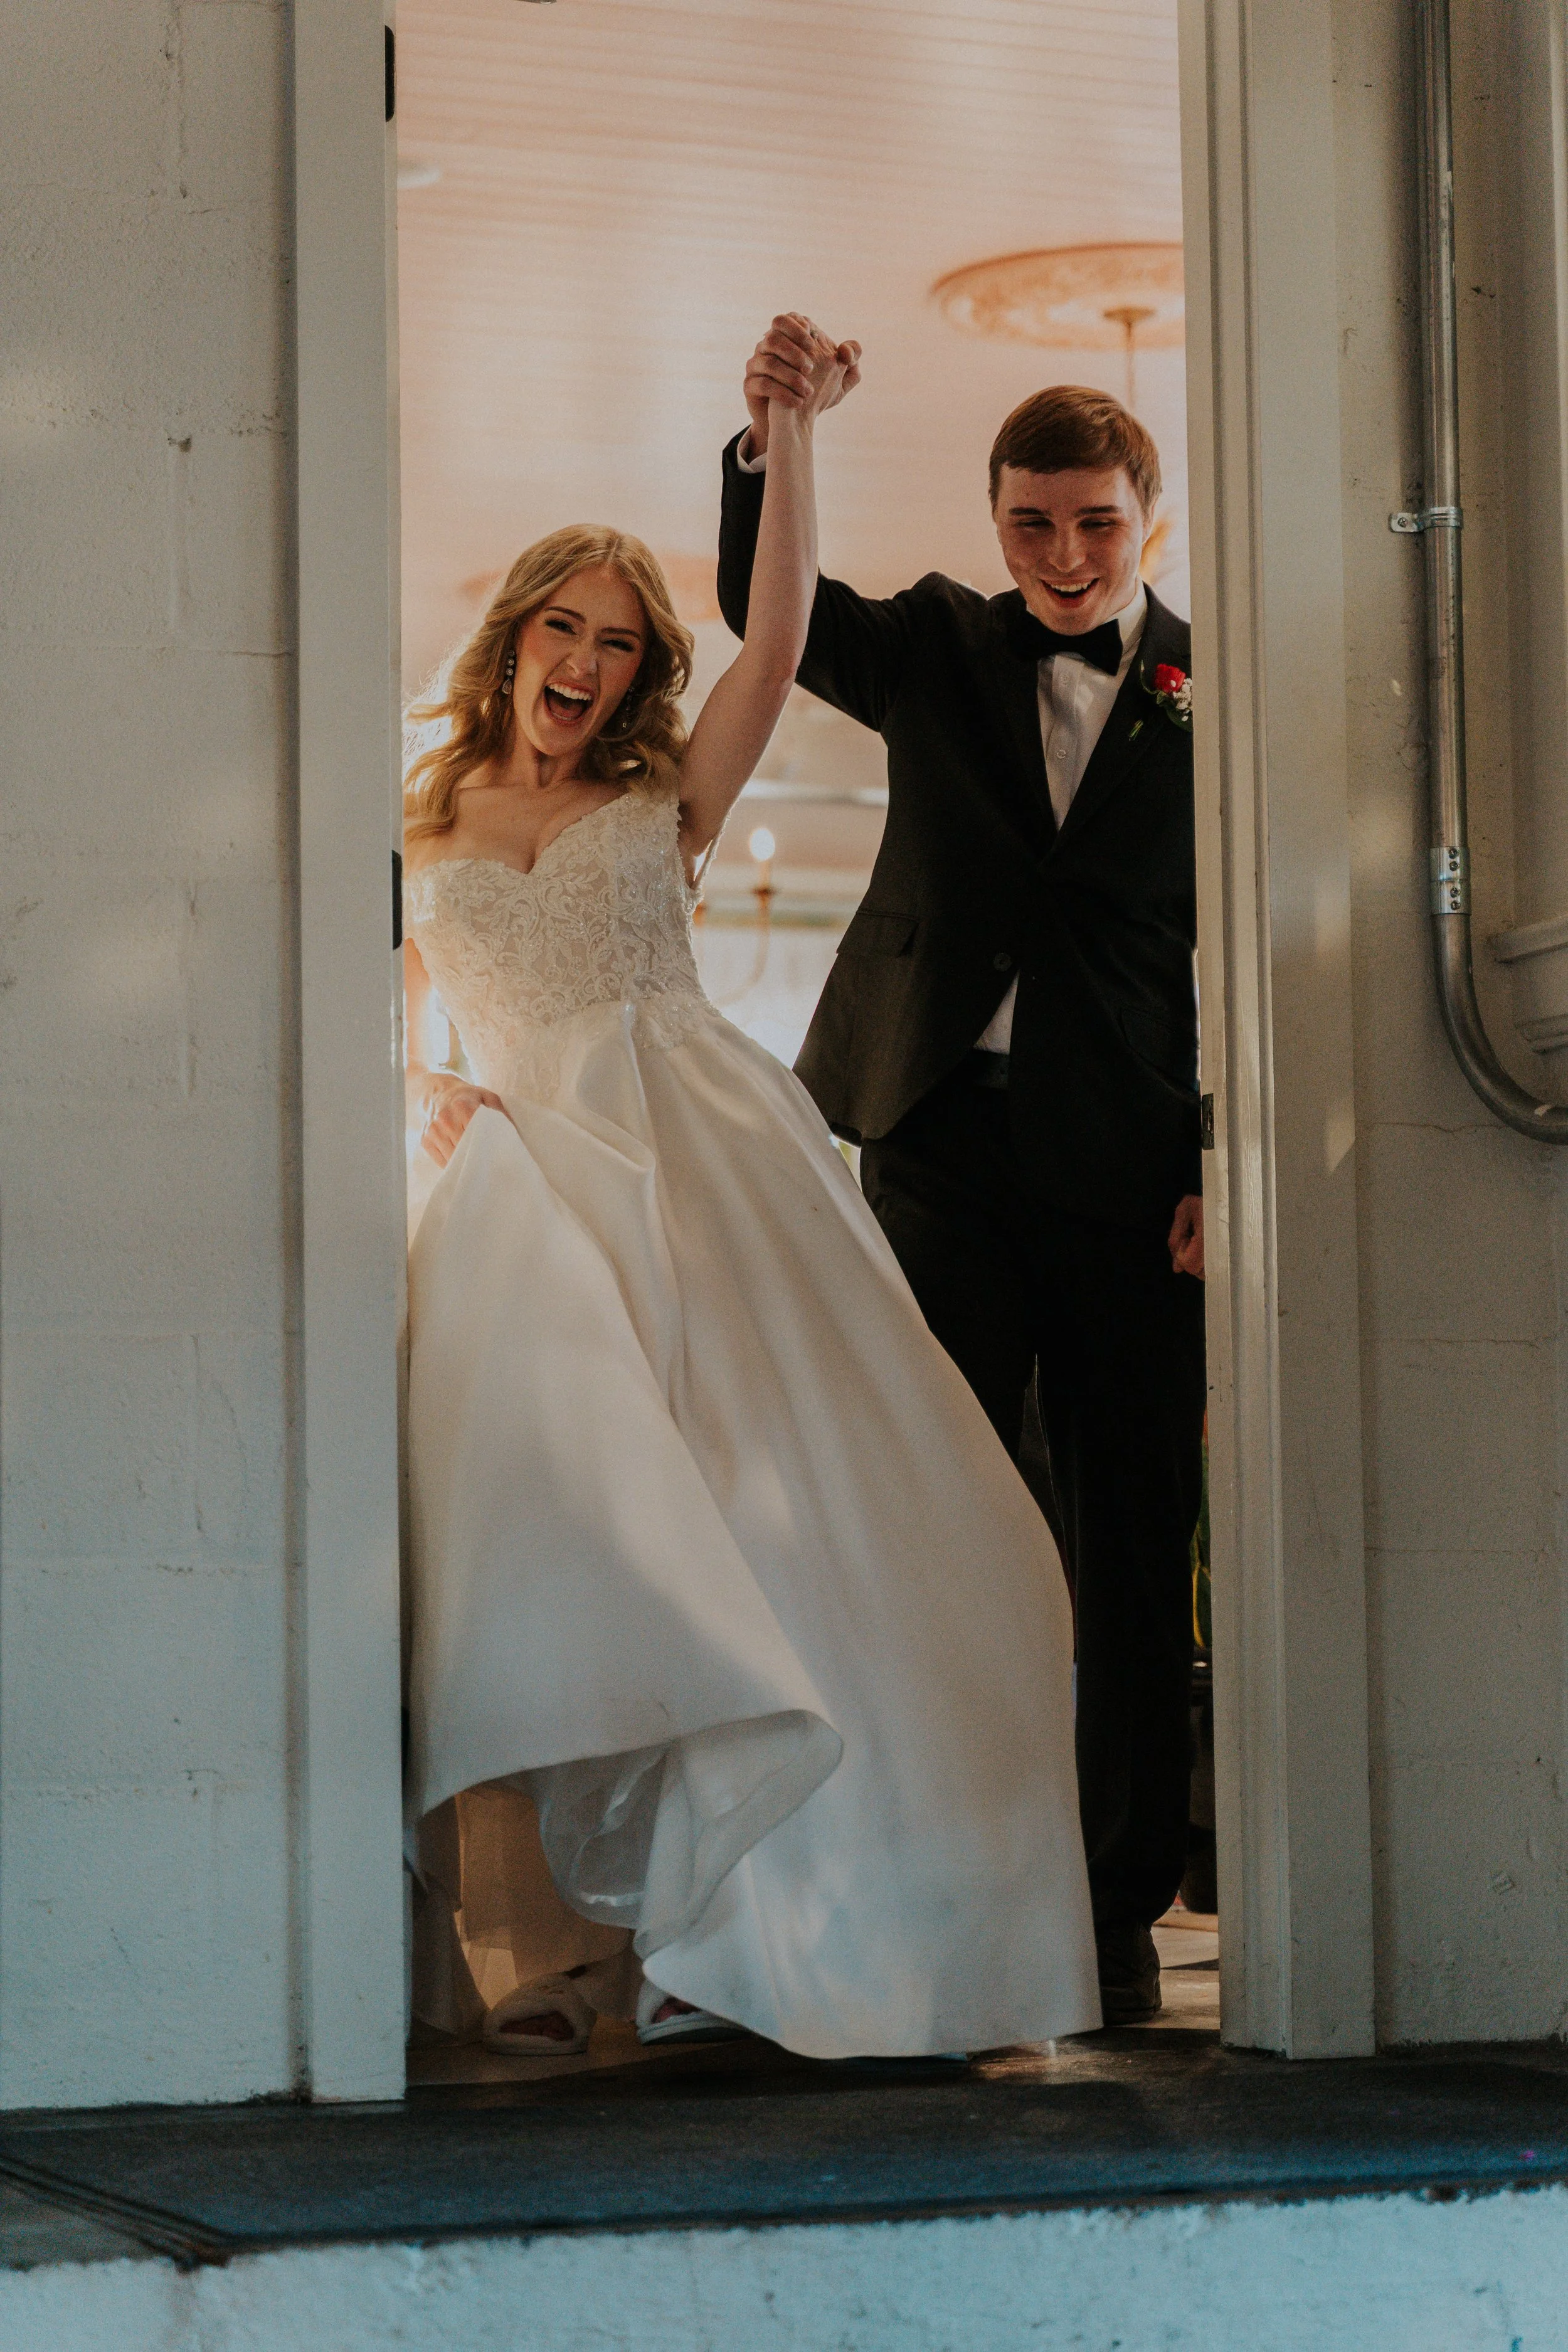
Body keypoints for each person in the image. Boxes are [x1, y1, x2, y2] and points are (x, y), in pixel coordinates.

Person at [400, 319, 1099, 2061]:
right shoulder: (411, 834)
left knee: (803, 1531)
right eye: (560, 625)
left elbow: (778, 637)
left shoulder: (664, 796)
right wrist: (426, 1086)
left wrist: (784, 433)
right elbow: (386, 1019)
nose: (583, 657)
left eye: (616, 641)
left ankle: (824, 1924)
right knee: (587, 1549)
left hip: (705, 1165)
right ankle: (591, 1940)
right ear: (511, 643)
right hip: (530, 1196)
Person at [717, 323, 1207, 2025]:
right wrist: (776, 431)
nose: (1064, 558)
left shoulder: (1222, 693)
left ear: (1149, 513)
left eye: (1095, 522)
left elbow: (1253, 958)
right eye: (1030, 523)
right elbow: (755, 607)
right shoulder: (930, 642)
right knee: (920, 1501)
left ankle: (1117, 1889)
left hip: (1136, 1173)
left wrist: (1223, 1156)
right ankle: (912, 1855)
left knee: (1136, 1528)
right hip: (932, 1136)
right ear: (993, 521)